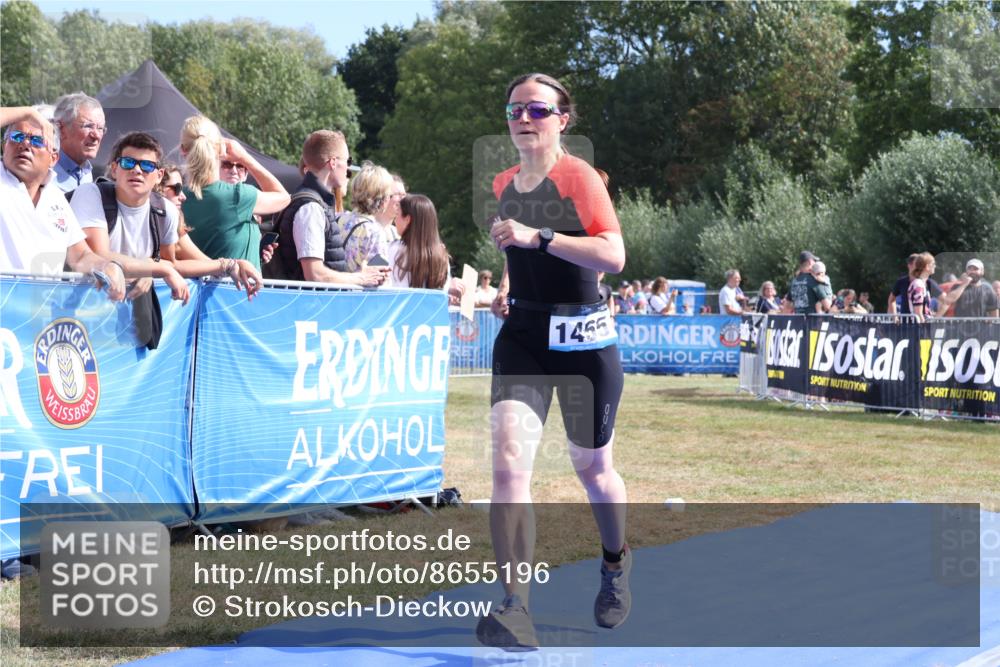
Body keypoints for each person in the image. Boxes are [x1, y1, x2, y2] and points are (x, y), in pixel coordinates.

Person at [478, 73, 629, 649]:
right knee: (509, 471)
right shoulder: (503, 182)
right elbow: (526, 249)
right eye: (513, 108)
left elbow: (613, 254)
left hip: (586, 345)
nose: (522, 117)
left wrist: (537, 237)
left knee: (593, 472)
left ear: (562, 119)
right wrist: (510, 281)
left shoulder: (579, 177)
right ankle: (516, 606)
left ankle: (615, 564)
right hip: (523, 339)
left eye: (536, 109)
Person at [74, 133, 259, 302]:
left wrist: (231, 264)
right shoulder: (91, 194)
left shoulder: (165, 211)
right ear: (114, 169)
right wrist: (154, 268)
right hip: (81, 304)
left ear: (158, 176)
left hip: (132, 313)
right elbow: (98, 256)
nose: (137, 170)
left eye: (146, 166)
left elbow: (171, 263)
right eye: (128, 163)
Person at [272, 130, 386, 287]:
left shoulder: (313, 203)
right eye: (348, 161)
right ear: (333, 163)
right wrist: (361, 278)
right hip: (309, 307)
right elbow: (315, 274)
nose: (348, 168)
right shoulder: (310, 207)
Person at [179, 115, 289, 271]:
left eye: (239, 166)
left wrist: (254, 253)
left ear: (183, 149)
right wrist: (245, 157)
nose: (234, 170)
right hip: (234, 293)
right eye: (228, 165)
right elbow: (283, 198)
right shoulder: (236, 196)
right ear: (220, 150)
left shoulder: (175, 198)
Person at [386, 194, 464, 303]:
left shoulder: (392, 250)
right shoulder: (441, 255)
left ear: (407, 219)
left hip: (401, 317)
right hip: (433, 318)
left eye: (397, 215)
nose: (395, 220)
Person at [338, 162, 397, 271]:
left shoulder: (339, 219)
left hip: (333, 285)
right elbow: (379, 274)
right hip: (357, 287)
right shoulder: (374, 232)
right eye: (389, 195)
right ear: (382, 199)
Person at [51, 93, 105, 193]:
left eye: (100, 128)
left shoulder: (87, 173)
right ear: (61, 129)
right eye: (88, 126)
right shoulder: (43, 174)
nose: (96, 136)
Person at [906, 252, 935, 322]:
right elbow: (918, 313)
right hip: (919, 329)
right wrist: (924, 328)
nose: (935, 266)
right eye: (933, 264)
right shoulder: (918, 285)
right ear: (927, 267)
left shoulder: (922, 283)